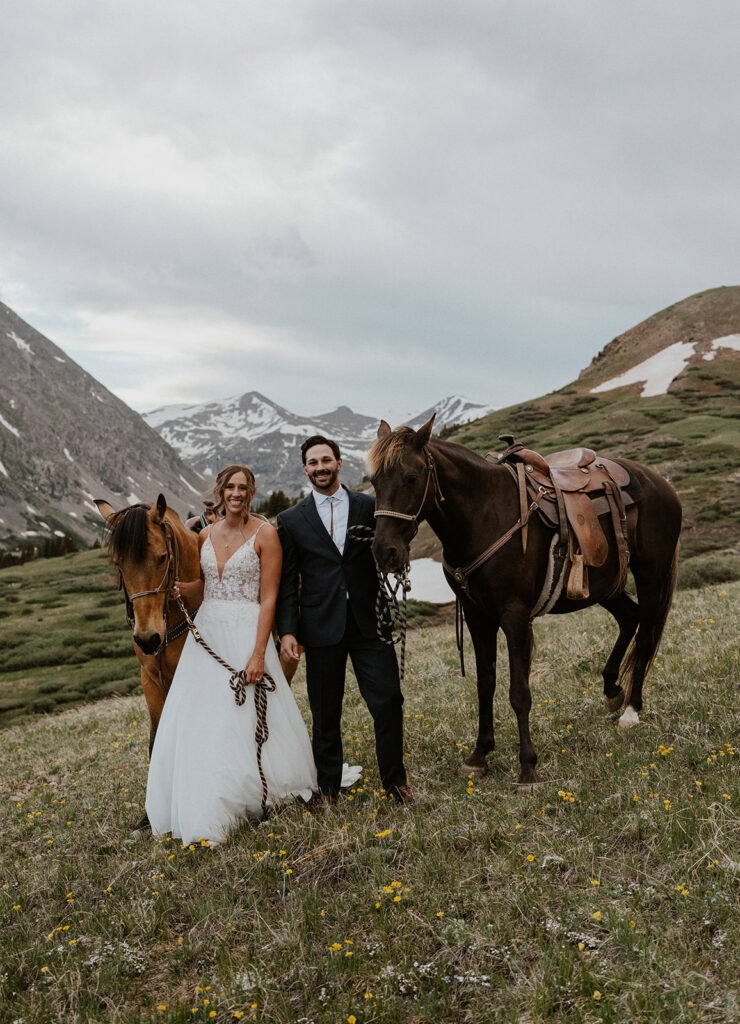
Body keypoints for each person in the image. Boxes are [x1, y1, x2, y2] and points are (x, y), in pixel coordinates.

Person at [145, 465, 320, 844]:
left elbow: (268, 597)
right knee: (203, 716)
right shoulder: (204, 534)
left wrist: (259, 653)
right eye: (230, 488)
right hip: (208, 631)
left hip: (246, 631)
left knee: (242, 715)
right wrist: (183, 590)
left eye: (243, 488)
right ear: (220, 492)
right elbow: (208, 586)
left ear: (251, 492)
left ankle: (254, 790)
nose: (236, 494)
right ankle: (203, 795)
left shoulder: (265, 534)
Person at [276, 435, 412, 804]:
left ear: (338, 463)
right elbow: (288, 582)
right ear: (305, 469)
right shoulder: (290, 520)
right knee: (325, 713)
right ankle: (329, 789)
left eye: (326, 460)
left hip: (371, 620)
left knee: (387, 701)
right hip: (321, 628)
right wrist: (287, 630)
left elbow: (393, 544)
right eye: (313, 462)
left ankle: (395, 784)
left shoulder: (371, 506)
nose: (320, 467)